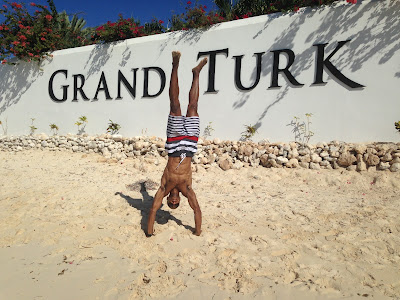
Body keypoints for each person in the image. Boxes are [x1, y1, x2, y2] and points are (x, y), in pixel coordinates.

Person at [146, 51, 208, 237]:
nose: (173, 202)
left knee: (175, 105)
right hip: (189, 145)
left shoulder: (164, 188)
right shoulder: (187, 189)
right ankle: (196, 73)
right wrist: (197, 231)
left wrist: (149, 231)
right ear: (180, 200)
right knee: (193, 107)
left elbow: (152, 210)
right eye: (176, 204)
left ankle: (175, 65)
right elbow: (197, 210)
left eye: (170, 204)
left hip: (174, 145)